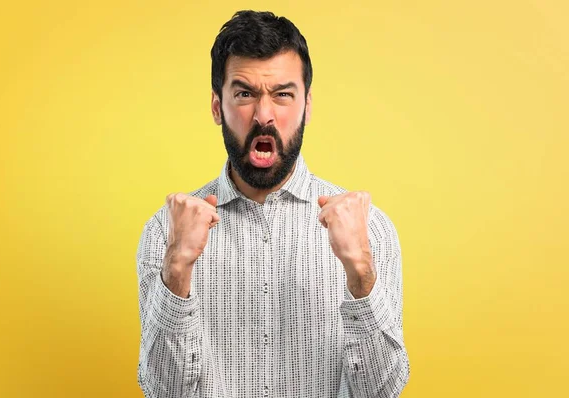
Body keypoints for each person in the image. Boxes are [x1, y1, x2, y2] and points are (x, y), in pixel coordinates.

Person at [136, 10, 410, 398]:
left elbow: (381, 392)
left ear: (307, 106)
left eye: (282, 94)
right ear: (217, 106)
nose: (264, 116)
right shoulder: (166, 233)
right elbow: (164, 392)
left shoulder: (370, 230)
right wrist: (177, 270)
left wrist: (361, 271)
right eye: (244, 94)